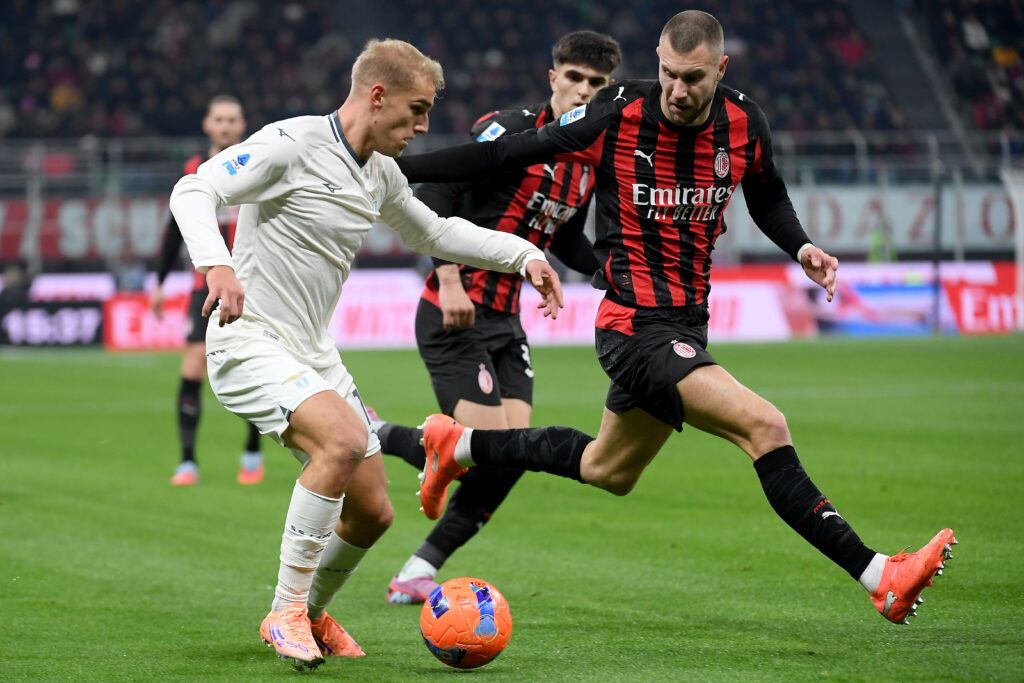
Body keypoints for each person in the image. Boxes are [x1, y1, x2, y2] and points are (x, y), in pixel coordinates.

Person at [396, 10, 956, 628]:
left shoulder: (744, 121)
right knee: (764, 426)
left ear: (721, 68)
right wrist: (393, 168)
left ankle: (459, 444)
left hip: (688, 324)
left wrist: (800, 247)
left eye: (692, 78)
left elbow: (765, 191)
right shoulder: (617, 110)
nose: (678, 90)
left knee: (608, 470)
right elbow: (505, 152)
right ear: (656, 61)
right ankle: (881, 575)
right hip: (634, 327)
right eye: (667, 73)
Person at [168, 39, 564, 671]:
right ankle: (286, 610)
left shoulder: (378, 170)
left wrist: (525, 255)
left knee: (374, 511)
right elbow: (193, 190)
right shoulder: (292, 144)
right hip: (249, 341)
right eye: (417, 109)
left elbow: (433, 231)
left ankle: (316, 614)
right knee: (344, 442)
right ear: (377, 96)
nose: (424, 126)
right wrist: (216, 264)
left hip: (313, 353)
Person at [376, 30, 621, 606]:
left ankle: (419, 568)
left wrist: (608, 273)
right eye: (574, 77)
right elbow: (437, 193)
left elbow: (560, 230)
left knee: (510, 457)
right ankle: (381, 433)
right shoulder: (508, 131)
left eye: (596, 84)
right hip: (452, 311)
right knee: (487, 445)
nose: (582, 90)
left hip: (507, 322)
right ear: (553, 77)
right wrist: (451, 276)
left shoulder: (586, 161)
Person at [150, 95, 265, 486]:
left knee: (255, 365)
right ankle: (187, 461)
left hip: (255, 282)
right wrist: (160, 281)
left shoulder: (258, 164)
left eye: (232, 119)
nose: (226, 125)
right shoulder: (194, 171)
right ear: (207, 125)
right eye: (219, 119)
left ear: (242, 124)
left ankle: (252, 452)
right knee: (194, 363)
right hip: (207, 283)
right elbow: (173, 230)